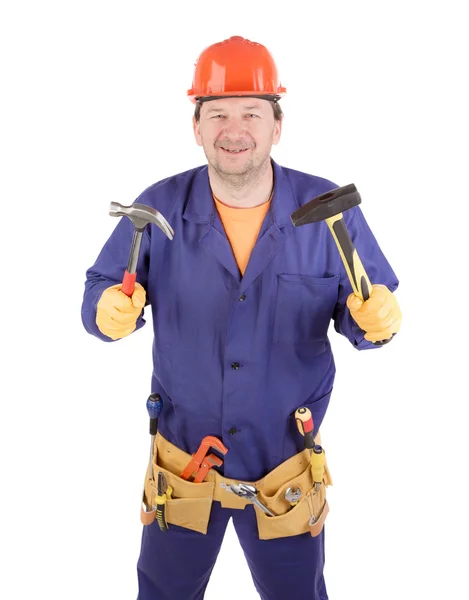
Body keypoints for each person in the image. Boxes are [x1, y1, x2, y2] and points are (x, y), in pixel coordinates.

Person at [81, 35, 401, 600]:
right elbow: (103, 288)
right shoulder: (159, 205)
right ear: (196, 125)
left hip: (285, 468)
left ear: (277, 125)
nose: (235, 129)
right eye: (218, 113)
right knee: (163, 593)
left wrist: (378, 320)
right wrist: (106, 310)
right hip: (185, 465)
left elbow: (366, 305)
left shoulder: (328, 211)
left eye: (251, 113)